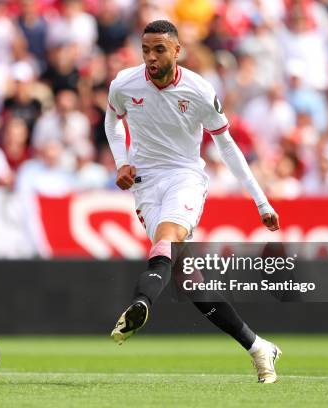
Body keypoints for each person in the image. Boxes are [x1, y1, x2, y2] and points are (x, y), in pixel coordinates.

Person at [105, 20, 281, 383]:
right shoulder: (124, 83)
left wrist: (261, 201)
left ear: (177, 51)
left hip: (185, 176)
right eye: (146, 50)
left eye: (159, 50)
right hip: (145, 183)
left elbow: (227, 145)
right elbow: (112, 120)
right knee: (188, 279)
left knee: (166, 239)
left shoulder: (199, 91)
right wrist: (121, 161)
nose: (151, 58)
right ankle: (258, 347)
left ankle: (142, 303)